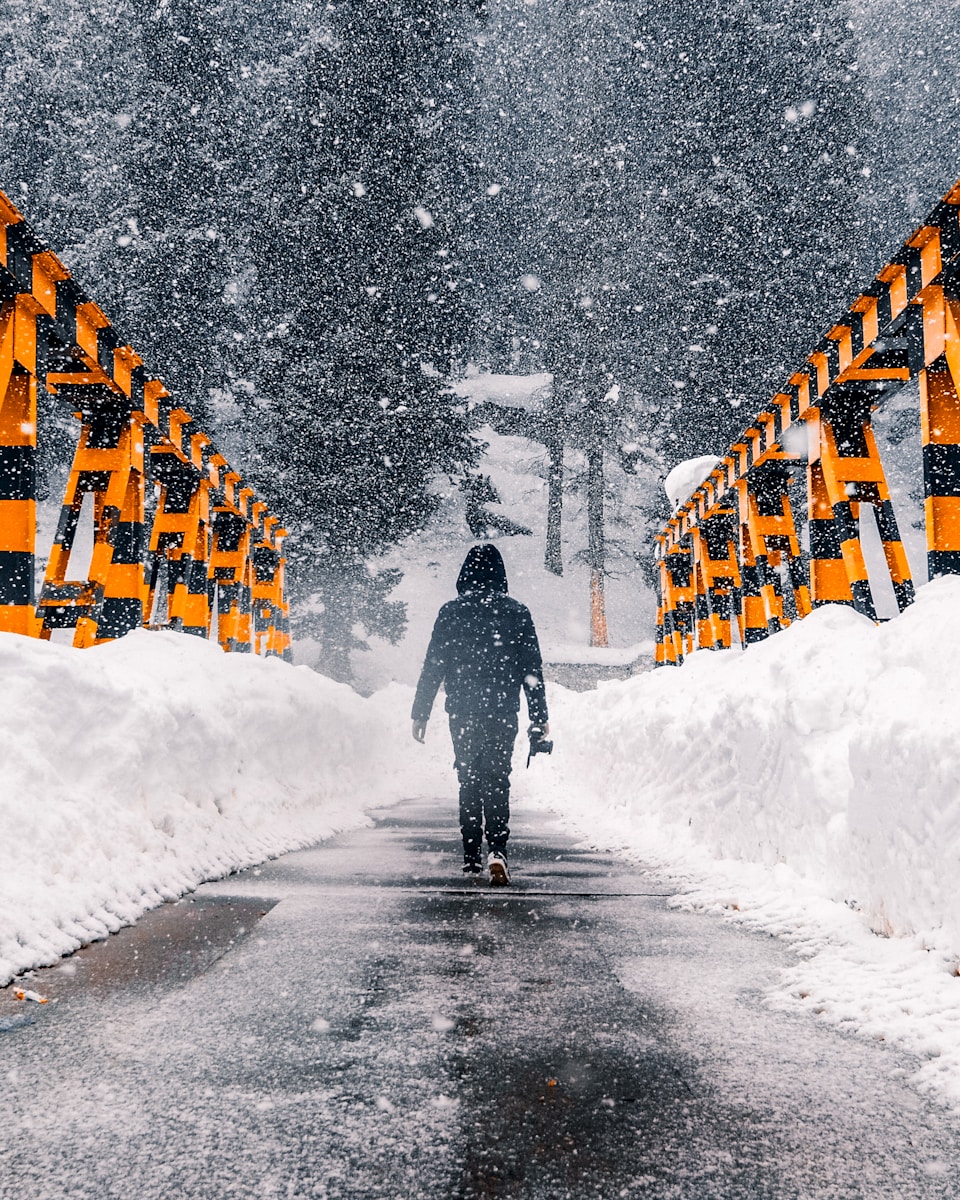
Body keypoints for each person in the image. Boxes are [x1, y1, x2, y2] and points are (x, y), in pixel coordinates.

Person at [411, 543, 549, 886]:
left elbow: (434, 665)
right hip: (502, 710)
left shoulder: (451, 612)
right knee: (498, 777)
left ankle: (471, 855)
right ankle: (497, 849)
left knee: (469, 778)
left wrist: (421, 711)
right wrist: (539, 715)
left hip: (464, 710)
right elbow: (531, 668)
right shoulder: (517, 612)